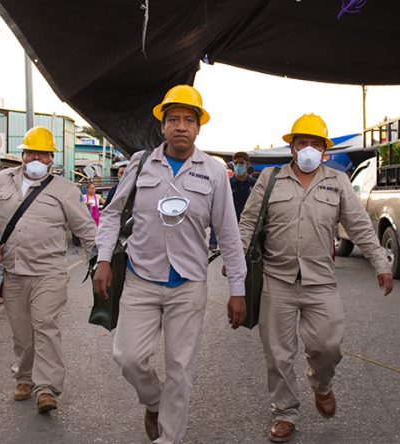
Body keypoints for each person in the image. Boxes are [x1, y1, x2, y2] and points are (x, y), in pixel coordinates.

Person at [93, 84, 247, 444]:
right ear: (162, 126)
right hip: (141, 278)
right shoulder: (141, 163)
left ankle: (170, 438)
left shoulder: (213, 172)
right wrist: (102, 259)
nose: (181, 126)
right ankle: (154, 401)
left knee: (180, 369)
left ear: (198, 128)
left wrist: (237, 289)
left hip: (189, 284)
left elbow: (228, 233)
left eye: (189, 120)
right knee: (128, 357)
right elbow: (112, 215)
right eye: (174, 119)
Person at [238, 113, 394, 443]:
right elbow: (248, 224)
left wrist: (380, 262)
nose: (308, 148)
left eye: (315, 143)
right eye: (301, 143)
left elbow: (360, 226)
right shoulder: (270, 178)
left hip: (321, 281)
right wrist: (236, 266)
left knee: (328, 346)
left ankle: (321, 385)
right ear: (292, 148)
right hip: (276, 280)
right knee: (277, 354)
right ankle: (284, 413)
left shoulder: (336, 182)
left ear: (325, 150)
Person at [0, 126, 97, 414]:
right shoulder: (2, 180)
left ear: (51, 158)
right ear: (22, 154)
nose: (36, 158)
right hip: (14, 271)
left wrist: (101, 260)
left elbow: (86, 229)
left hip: (49, 272)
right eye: (32, 152)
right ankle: (24, 378)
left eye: (43, 154)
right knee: (22, 332)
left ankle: (47, 388)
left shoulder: (65, 190)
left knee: (44, 325)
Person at [230, 151, 257, 221]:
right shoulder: (228, 183)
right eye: (235, 163)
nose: (238, 166)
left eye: (241, 163)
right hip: (232, 222)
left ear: (248, 164)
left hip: (250, 222)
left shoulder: (254, 183)